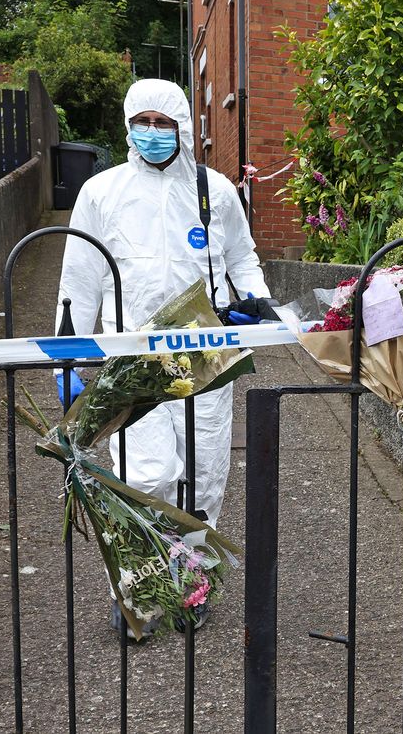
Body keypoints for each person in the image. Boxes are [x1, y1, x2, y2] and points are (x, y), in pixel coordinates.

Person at [55, 78, 273, 531]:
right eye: (142, 123)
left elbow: (240, 255)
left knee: (204, 472)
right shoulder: (101, 193)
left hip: (203, 354)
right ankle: (143, 576)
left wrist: (257, 299)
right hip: (133, 356)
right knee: (145, 473)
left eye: (163, 123)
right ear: (128, 126)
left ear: (183, 128)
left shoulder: (213, 190)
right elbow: (78, 277)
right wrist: (66, 360)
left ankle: (191, 573)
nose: (152, 132)